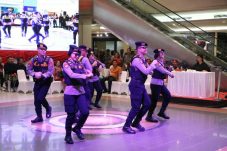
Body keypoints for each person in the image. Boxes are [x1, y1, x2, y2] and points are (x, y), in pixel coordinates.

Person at [122, 41, 157, 134]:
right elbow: (146, 71)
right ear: (137, 49)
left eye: (145, 48)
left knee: (147, 104)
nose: (145, 49)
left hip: (140, 84)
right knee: (136, 107)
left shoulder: (143, 59)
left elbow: (149, 71)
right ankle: (126, 126)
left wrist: (155, 68)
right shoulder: (136, 60)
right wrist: (153, 65)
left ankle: (136, 122)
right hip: (136, 85)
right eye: (142, 48)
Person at [62, 45, 93, 144]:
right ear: (70, 54)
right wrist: (84, 76)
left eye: (78, 54)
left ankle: (77, 128)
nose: (76, 56)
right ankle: (67, 135)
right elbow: (71, 74)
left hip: (80, 91)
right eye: (75, 54)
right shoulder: (66, 64)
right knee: (71, 115)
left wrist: (89, 73)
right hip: (70, 91)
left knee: (85, 112)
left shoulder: (80, 64)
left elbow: (87, 71)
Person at [27, 43, 54, 123]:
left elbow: (51, 71)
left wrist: (42, 75)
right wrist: (34, 74)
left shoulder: (49, 59)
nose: (43, 51)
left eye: (45, 50)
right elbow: (28, 69)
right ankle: (39, 117)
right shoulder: (33, 59)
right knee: (36, 101)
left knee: (40, 98)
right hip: (37, 81)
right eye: (41, 49)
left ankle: (48, 108)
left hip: (46, 81)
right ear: (37, 50)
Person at [146, 49, 174, 123]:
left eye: (163, 52)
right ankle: (149, 116)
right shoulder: (155, 62)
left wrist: (168, 70)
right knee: (154, 101)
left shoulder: (161, 62)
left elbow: (158, 71)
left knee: (168, 96)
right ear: (158, 54)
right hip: (155, 84)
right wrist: (170, 74)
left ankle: (161, 112)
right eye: (161, 53)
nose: (163, 54)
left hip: (160, 83)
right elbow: (162, 70)